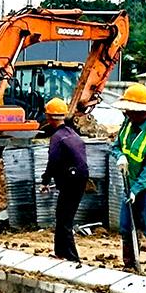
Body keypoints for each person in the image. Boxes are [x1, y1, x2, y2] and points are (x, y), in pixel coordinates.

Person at [111, 83, 146, 278]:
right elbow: (115, 146)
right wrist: (119, 156)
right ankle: (130, 265)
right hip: (130, 183)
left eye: (130, 110)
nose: (126, 113)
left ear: (140, 112)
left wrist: (136, 189)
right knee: (126, 224)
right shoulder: (126, 125)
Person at [38, 97, 88, 263]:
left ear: (49, 117)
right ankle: (60, 253)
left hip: (71, 182)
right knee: (61, 216)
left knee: (65, 220)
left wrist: (45, 181)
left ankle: (73, 259)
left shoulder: (57, 138)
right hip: (78, 179)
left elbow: (52, 162)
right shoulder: (71, 133)